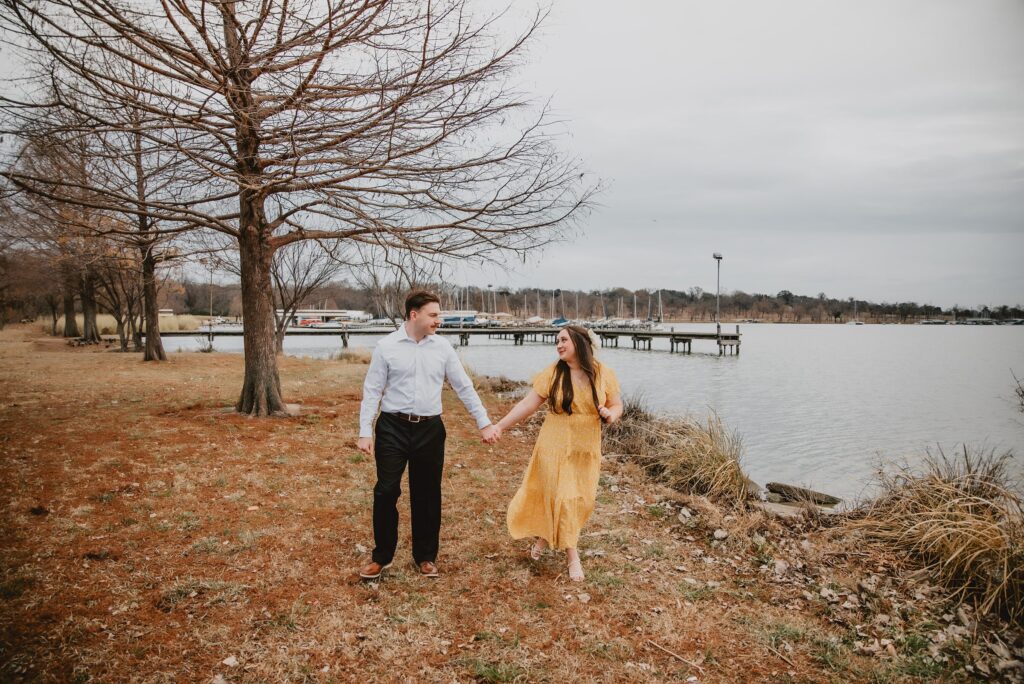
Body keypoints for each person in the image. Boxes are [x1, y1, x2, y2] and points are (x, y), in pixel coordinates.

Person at [356, 290, 499, 580]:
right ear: (414, 315)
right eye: (433, 315)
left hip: (430, 430)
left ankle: (425, 556)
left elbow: (464, 386)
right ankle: (381, 556)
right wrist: (364, 431)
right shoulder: (386, 347)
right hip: (392, 427)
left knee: (427, 494)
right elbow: (372, 391)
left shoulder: (443, 348)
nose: (438, 320)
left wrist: (483, 422)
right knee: (386, 490)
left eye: (438, 314)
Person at [491, 324, 623, 582]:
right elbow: (527, 404)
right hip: (554, 442)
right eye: (557, 340)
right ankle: (573, 557)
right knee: (563, 495)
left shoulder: (602, 373)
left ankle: (544, 537)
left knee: (580, 498)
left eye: (563, 340)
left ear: (580, 343)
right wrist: (500, 426)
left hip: (586, 446)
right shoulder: (553, 373)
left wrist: (610, 415)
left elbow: (617, 404)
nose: (558, 345)